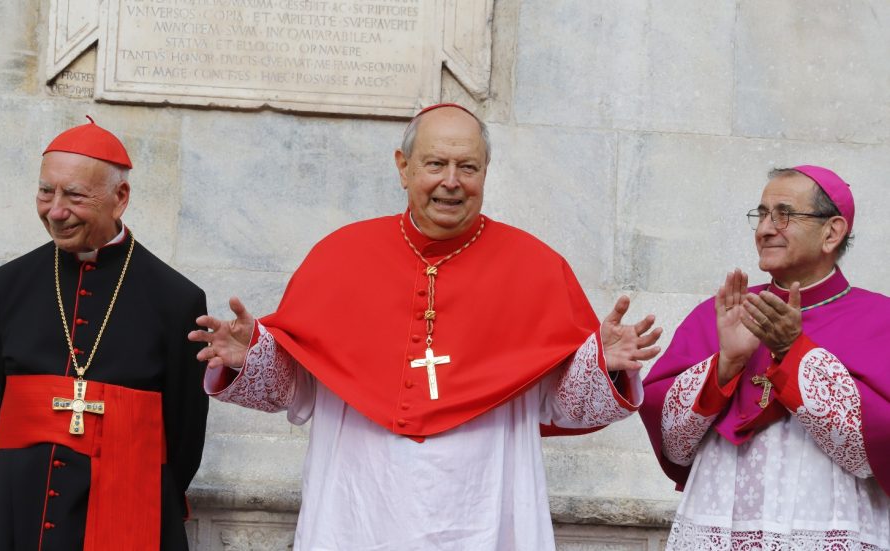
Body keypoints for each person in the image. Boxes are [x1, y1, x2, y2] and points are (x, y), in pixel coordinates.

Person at [190, 103, 662, 550]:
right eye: (435, 164)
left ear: (485, 173)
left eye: (468, 168)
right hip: (361, 501)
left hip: (484, 504)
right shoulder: (339, 257)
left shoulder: (536, 268)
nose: (451, 182)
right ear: (403, 167)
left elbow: (564, 406)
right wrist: (252, 357)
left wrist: (603, 366)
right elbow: (296, 389)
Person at [0, 117, 209, 550]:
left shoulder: (177, 300)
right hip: (15, 509)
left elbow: (184, 439)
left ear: (120, 198)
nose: (55, 211)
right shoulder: (5, 287)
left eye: (74, 195)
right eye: (46, 191)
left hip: (128, 505)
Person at [640, 166, 890, 549]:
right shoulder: (725, 311)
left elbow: (870, 452)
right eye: (761, 214)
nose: (765, 229)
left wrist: (794, 352)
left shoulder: (879, 321)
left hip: (827, 521)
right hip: (722, 517)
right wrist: (726, 364)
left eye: (784, 214)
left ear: (832, 231)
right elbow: (674, 443)